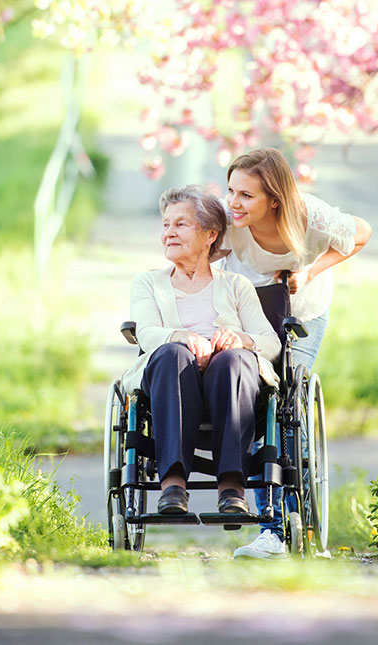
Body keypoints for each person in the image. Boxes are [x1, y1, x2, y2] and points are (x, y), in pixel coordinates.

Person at [217, 148, 372, 559]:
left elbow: (362, 233)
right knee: (249, 400)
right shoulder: (226, 218)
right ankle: (270, 529)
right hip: (248, 317)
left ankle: (292, 523)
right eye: (231, 190)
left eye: (246, 196)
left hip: (300, 315)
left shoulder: (310, 216)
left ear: (275, 200)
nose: (234, 202)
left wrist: (310, 271)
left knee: (285, 407)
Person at [121, 185, 282, 516]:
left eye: (180, 224)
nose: (169, 233)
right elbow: (147, 333)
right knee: (171, 353)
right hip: (171, 377)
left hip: (230, 380)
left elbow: (272, 342)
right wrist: (180, 335)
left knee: (234, 359)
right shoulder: (148, 283)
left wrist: (242, 339)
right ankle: (174, 486)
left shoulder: (236, 286)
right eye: (166, 224)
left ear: (210, 234)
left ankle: (232, 488)